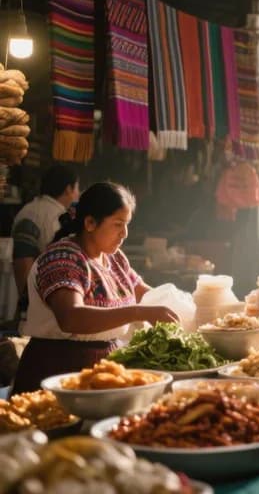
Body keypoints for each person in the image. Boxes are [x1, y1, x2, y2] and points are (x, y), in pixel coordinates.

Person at [11, 183, 179, 394]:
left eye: (127, 224)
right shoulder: (63, 258)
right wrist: (139, 312)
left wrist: (187, 303)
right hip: (58, 371)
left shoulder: (114, 258)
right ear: (90, 222)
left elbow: (147, 294)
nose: (125, 233)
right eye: (118, 224)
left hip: (105, 368)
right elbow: (71, 318)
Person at [12, 165, 79, 318]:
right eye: (77, 188)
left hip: (32, 302)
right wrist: (29, 301)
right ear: (68, 189)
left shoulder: (28, 209)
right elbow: (24, 259)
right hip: (42, 304)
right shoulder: (56, 217)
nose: (77, 194)